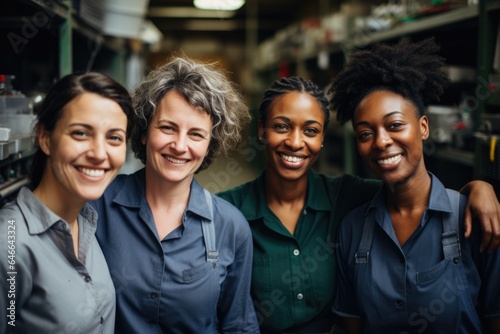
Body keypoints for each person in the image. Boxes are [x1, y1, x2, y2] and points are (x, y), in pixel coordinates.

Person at [217, 75, 500, 334]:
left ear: (323, 139)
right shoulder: (229, 213)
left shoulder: (346, 196)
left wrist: (478, 189)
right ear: (262, 131)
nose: (295, 141)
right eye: (281, 126)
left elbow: (413, 191)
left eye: (311, 130)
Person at [330, 38, 500, 333]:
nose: (381, 142)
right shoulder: (352, 230)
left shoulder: (475, 220)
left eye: (395, 125)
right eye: (365, 133)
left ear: (423, 127)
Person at [90, 55, 260, 334]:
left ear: (209, 145)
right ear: (144, 131)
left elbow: (238, 323)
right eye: (167, 128)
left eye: (196, 134)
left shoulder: (229, 226)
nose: (179, 146)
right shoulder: (97, 205)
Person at [0, 72, 134, 333]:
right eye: (81, 133)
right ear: (45, 138)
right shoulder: (10, 244)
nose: (99, 153)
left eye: (114, 137)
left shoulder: (86, 221)